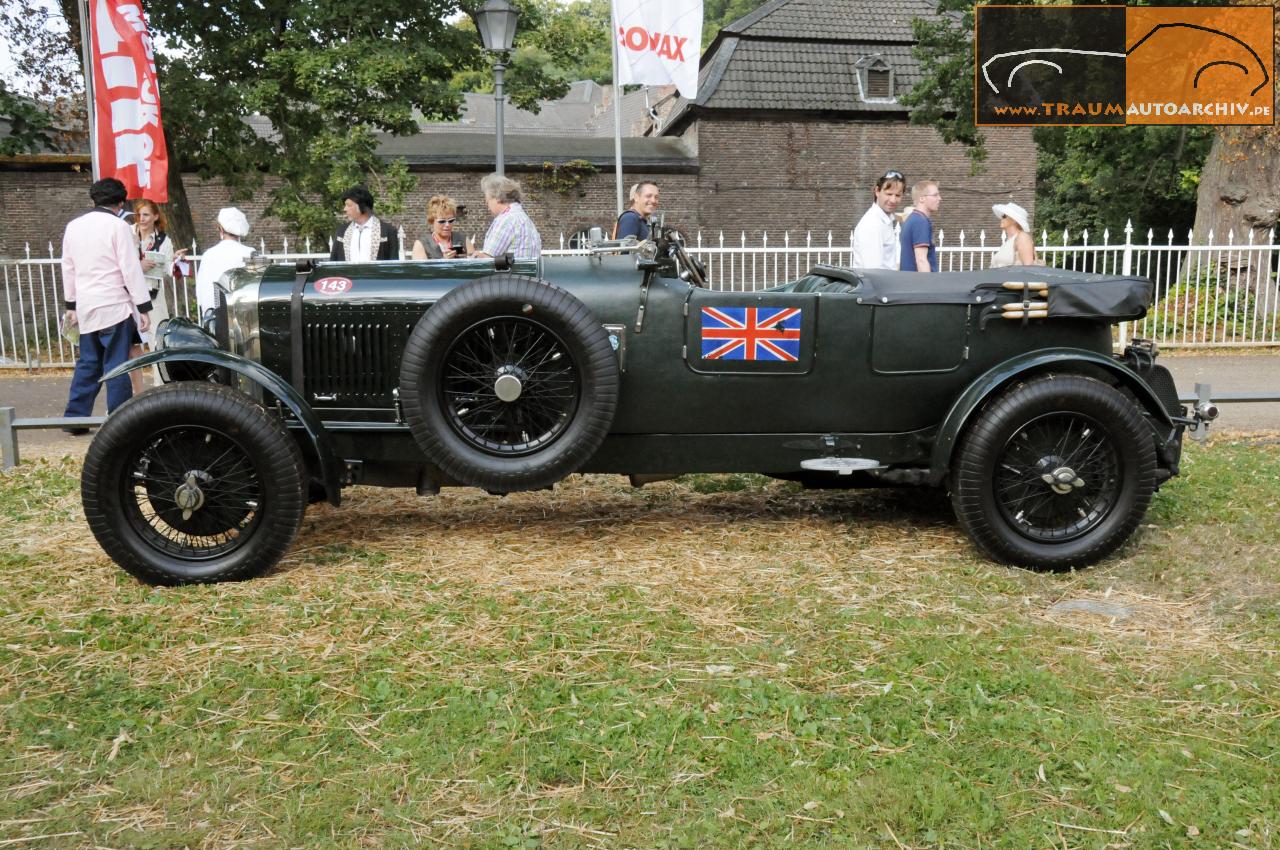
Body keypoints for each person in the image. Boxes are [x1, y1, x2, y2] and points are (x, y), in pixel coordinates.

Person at [60, 178, 153, 432]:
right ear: (121, 202)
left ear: (93, 200)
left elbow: (68, 267)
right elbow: (130, 268)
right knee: (117, 364)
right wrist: (143, 307)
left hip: (86, 305)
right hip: (114, 305)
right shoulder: (119, 227)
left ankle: (75, 420)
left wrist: (71, 304)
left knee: (88, 363)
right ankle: (119, 421)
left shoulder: (73, 226)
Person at [195, 207, 253, 318]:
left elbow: (201, 289)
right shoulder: (249, 252)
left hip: (213, 313)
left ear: (220, 228)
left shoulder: (208, 254)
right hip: (242, 313)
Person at [468, 173, 542, 261]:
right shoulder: (524, 218)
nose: (486, 203)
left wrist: (471, 254)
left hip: (510, 275)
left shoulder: (506, 220)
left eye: (488, 199)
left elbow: (487, 260)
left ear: (498, 197)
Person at [330, 185, 400, 261]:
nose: (345, 209)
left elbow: (393, 265)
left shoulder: (388, 231)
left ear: (363, 206)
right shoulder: (342, 231)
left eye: (349, 205)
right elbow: (334, 263)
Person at [852, 170, 905, 269]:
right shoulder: (872, 224)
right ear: (877, 191)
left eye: (897, 195)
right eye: (889, 194)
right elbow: (874, 271)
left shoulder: (884, 220)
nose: (893, 200)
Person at [899, 180, 941, 273]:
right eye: (935, 195)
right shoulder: (920, 222)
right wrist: (928, 285)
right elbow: (921, 260)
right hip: (917, 284)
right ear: (922, 198)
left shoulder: (912, 219)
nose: (939, 198)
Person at [411, 195, 461, 259]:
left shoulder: (462, 239)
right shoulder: (421, 244)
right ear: (432, 221)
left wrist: (475, 258)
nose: (447, 224)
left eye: (451, 220)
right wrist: (443, 261)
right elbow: (420, 269)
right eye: (442, 221)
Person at [990, 201, 1038, 267]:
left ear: (1014, 220)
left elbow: (1028, 267)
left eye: (1004, 216)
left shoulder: (1022, 237)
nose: (1001, 219)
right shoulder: (1010, 240)